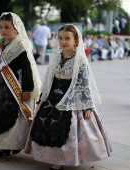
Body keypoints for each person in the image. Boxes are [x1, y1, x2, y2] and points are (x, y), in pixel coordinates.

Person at [25, 24, 112, 170]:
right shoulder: (57, 57)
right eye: (60, 38)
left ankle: (61, 159)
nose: (63, 41)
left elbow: (84, 85)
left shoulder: (80, 61)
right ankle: (48, 155)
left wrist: (86, 106)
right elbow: (49, 79)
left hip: (71, 98)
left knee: (66, 129)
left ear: (76, 41)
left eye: (67, 38)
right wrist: (42, 98)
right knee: (46, 125)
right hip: (53, 97)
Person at [0, 12, 41, 157]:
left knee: (11, 114)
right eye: (1, 27)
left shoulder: (21, 46)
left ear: (16, 29)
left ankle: (12, 145)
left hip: (13, 87)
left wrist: (27, 89)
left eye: (7, 27)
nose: (3, 30)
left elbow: (27, 69)